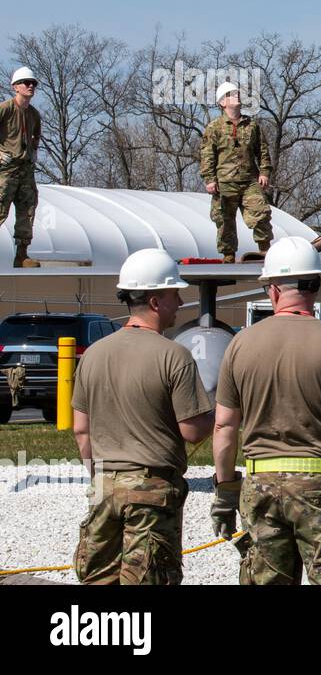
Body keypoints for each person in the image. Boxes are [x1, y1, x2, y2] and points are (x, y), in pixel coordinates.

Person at [210, 236, 321, 585]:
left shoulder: (240, 345)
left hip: (260, 486)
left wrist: (224, 491)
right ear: (315, 286)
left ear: (274, 290)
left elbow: (224, 427)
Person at [71, 248, 214, 584]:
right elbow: (192, 430)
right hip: (152, 493)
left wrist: (99, 476)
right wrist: (220, 415)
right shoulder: (174, 356)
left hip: (104, 487)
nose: (180, 302)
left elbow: (81, 430)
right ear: (154, 301)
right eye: (174, 294)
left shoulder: (93, 355)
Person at [200, 81, 273, 263]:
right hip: (224, 183)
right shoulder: (214, 127)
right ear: (222, 102)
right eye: (231, 94)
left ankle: (265, 251)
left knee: (260, 213)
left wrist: (264, 172)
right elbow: (207, 154)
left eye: (237, 93)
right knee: (224, 221)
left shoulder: (251, 125)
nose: (237, 95)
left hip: (249, 181)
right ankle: (228, 256)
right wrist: (209, 179)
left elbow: (262, 150)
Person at [0, 67, 43, 267]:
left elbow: (35, 136)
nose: (30, 86)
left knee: (27, 209)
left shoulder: (34, 114)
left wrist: (33, 152)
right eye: (26, 82)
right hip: (6, 169)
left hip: (25, 168)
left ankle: (22, 255)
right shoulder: (5, 109)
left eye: (33, 83)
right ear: (16, 86)